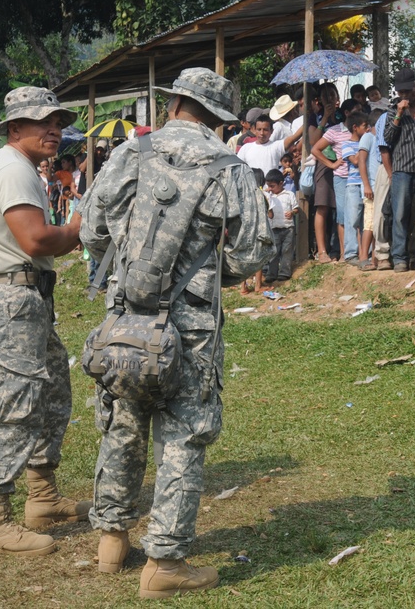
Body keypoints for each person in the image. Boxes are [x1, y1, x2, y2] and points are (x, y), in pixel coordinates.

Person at [78, 67, 270, 599]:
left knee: (123, 420)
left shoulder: (128, 153)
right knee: (184, 434)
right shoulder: (228, 167)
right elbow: (252, 250)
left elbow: (91, 226)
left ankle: (111, 540)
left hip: (125, 316)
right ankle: (164, 563)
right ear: (221, 119)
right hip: (192, 323)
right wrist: (210, 274)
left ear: (174, 106)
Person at [0, 86, 88, 558]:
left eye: (58, 121)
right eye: (43, 122)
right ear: (15, 128)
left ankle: (42, 498)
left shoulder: (21, 168)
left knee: (51, 395)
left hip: (27, 302)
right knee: (9, 411)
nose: (54, 130)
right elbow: (36, 240)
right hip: (10, 305)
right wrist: (77, 231)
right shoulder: (14, 169)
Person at [312, 98, 365, 263]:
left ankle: (359, 252)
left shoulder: (363, 130)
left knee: (359, 215)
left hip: (360, 178)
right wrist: (332, 164)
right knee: (343, 215)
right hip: (342, 178)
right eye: (356, 111)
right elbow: (315, 149)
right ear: (347, 113)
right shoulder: (335, 131)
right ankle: (344, 254)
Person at [383, 67, 415, 272]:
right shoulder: (392, 109)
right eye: (401, 92)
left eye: (408, 91)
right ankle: (399, 257)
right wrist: (399, 114)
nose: (404, 95)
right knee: (400, 214)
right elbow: (388, 138)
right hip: (402, 168)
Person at [356, 108, 390, 271]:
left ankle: (375, 258)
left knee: (379, 221)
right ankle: (364, 257)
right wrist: (367, 185)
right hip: (370, 187)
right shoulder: (368, 137)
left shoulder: (381, 139)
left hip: (381, 186)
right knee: (369, 222)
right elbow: (361, 161)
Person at [340, 111, 370, 265]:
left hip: (367, 184)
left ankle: (367, 253)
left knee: (367, 220)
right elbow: (356, 161)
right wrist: (364, 146)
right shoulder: (346, 144)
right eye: (365, 126)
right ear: (355, 127)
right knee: (352, 220)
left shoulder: (369, 140)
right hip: (353, 185)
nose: (367, 129)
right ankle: (351, 253)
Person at [237, 115, 303, 178]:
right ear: (254, 130)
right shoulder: (246, 148)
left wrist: (310, 119)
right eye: (259, 129)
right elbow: (237, 169)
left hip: (271, 189)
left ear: (272, 131)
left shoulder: (276, 147)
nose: (262, 133)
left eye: (265, 130)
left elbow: (294, 137)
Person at [264, 168, 299, 284]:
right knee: (274, 252)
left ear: (281, 183)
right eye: (268, 186)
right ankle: (271, 274)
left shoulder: (289, 194)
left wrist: (292, 212)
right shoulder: (268, 196)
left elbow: (296, 208)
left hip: (288, 227)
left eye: (272, 186)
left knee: (286, 251)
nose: (270, 189)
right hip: (274, 228)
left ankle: (284, 272)